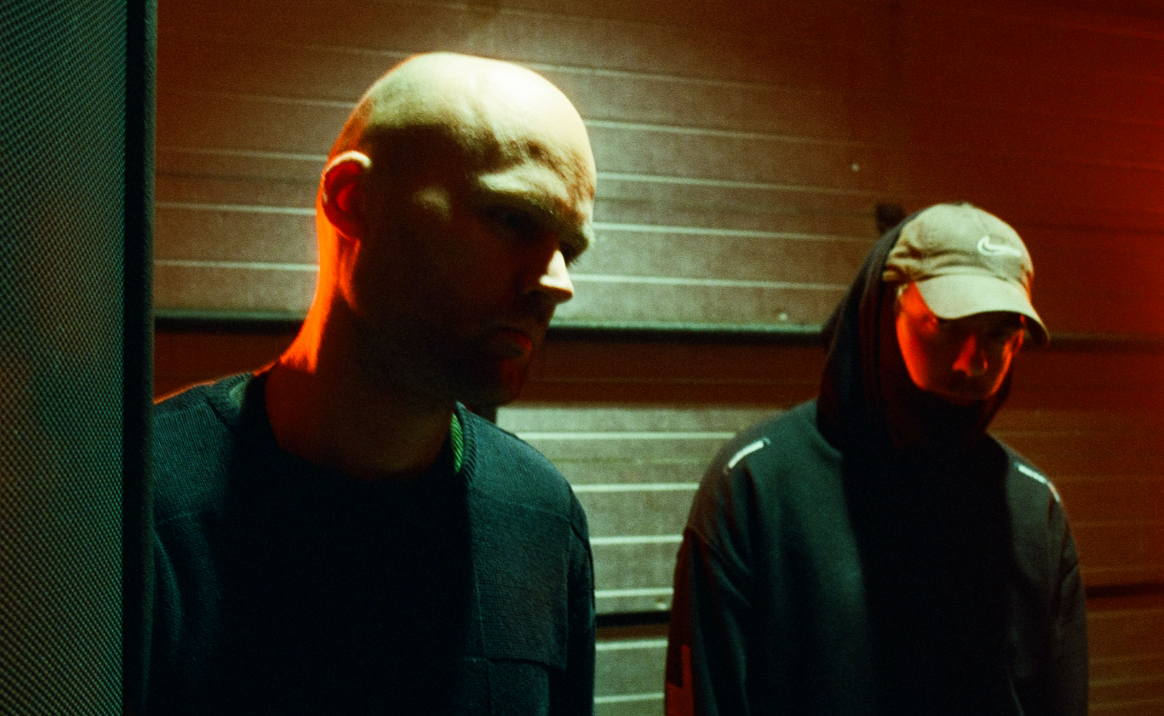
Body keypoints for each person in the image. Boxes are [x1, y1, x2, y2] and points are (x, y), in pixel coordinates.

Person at [146, 53, 597, 715]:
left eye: (569, 248)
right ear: (352, 200)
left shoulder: (541, 518)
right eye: (512, 218)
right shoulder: (140, 503)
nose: (558, 283)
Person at [665, 203, 1088, 715]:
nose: (972, 361)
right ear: (885, 309)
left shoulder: (1031, 508)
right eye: (947, 325)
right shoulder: (758, 486)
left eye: (999, 333)